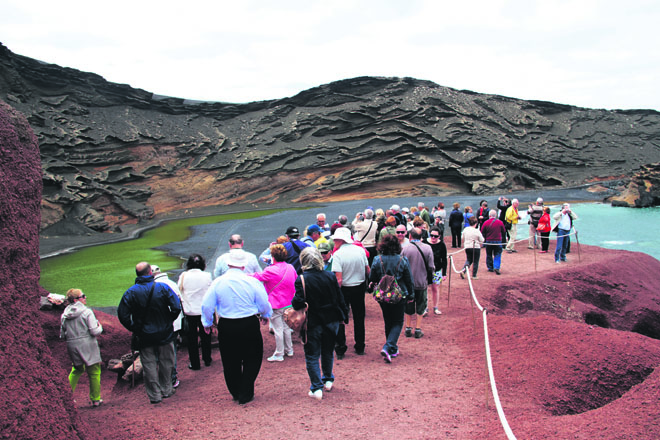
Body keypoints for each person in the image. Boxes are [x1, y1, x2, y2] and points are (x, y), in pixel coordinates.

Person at [201, 251, 273, 405]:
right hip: (248, 323)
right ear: (244, 265)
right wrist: (266, 314)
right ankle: (246, 390)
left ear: (228, 264)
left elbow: (207, 305)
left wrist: (207, 323)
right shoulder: (251, 282)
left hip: (227, 324)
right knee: (253, 357)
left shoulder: (218, 282)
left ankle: (236, 390)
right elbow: (263, 301)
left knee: (229, 359)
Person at [118, 262, 181, 404]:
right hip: (164, 333)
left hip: (144, 335)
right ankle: (167, 389)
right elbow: (176, 306)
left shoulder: (131, 292)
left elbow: (123, 315)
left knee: (149, 364)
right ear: (150, 273)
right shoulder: (163, 287)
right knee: (167, 361)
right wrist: (169, 320)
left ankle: (154, 395)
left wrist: (134, 328)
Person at [291, 247, 348, 400]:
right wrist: (344, 315)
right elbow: (339, 297)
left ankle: (316, 387)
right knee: (328, 351)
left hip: (313, 321)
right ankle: (328, 379)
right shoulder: (329, 276)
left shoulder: (302, 279)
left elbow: (297, 303)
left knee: (312, 354)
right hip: (331, 319)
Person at [369, 234, 414, 362]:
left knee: (388, 321)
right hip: (399, 294)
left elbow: (372, 277)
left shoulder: (378, 260)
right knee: (398, 321)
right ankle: (389, 346)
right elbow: (409, 279)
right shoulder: (402, 260)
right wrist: (411, 294)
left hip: (383, 295)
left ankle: (391, 348)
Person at [251, 244, 298, 362]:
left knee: (278, 329)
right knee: (287, 327)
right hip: (289, 302)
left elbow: (258, 277)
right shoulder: (290, 267)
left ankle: (279, 354)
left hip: (276, 304)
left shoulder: (270, 270)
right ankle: (289, 349)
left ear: (273, 256)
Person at [60, 288, 103, 407]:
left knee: (77, 369)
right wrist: (100, 327)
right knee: (94, 371)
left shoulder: (64, 314)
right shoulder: (87, 312)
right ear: (76, 299)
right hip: (87, 343)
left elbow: (62, 334)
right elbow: (94, 331)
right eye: (83, 296)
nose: (85, 298)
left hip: (72, 344)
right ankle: (95, 399)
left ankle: (67, 397)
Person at [332, 227, 369, 358]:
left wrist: (335, 294)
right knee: (359, 317)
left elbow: (339, 278)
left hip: (344, 289)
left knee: (340, 318)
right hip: (359, 286)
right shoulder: (360, 250)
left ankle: (341, 347)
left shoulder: (337, 255)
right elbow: (367, 269)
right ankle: (360, 346)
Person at [177, 254, 213, 371]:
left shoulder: (183, 276)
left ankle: (195, 363)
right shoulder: (207, 275)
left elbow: (179, 290)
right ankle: (207, 359)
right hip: (203, 310)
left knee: (192, 339)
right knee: (206, 335)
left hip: (189, 311)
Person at [152, 264, 182, 388]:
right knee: (172, 350)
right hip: (174, 323)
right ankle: (172, 378)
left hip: (160, 324)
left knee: (158, 352)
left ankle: (164, 378)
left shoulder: (153, 287)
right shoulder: (172, 284)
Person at [401, 227, 434, 339]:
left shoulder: (405, 249)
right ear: (421, 237)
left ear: (410, 236)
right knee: (421, 305)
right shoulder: (428, 248)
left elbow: (400, 266)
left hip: (408, 284)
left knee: (408, 305)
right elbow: (431, 266)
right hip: (421, 282)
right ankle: (418, 329)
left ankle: (408, 328)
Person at [424, 226, 447, 315]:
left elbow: (444, 260)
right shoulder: (425, 242)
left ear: (439, 236)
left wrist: (444, 273)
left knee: (435, 288)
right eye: (432, 235)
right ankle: (425, 307)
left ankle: (435, 307)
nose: (433, 238)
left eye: (435, 236)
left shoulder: (442, 245)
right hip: (425, 270)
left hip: (437, 269)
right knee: (424, 288)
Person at [480, 210, 506, 275]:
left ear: (489, 215)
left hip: (488, 241)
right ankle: (496, 267)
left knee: (489, 254)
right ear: (496, 215)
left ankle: (490, 267)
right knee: (497, 254)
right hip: (498, 241)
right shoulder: (500, 222)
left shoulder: (486, 222)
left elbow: (482, 232)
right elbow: (504, 231)